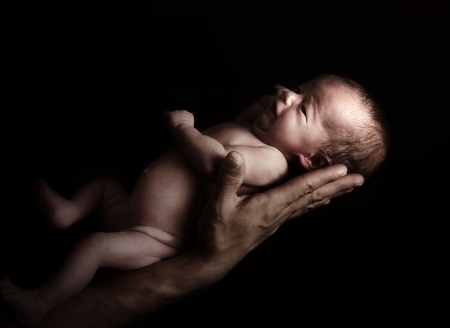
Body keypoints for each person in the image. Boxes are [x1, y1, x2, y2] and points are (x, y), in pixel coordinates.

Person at [0, 74, 384, 327]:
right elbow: (247, 118)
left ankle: (40, 302)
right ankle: (67, 213)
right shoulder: (256, 129)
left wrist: (182, 126)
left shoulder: (270, 164)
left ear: (312, 161)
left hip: (152, 236)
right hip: (128, 206)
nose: (288, 95)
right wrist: (276, 105)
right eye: (299, 87)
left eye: (302, 107)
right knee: (104, 186)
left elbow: (216, 160)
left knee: (95, 247)